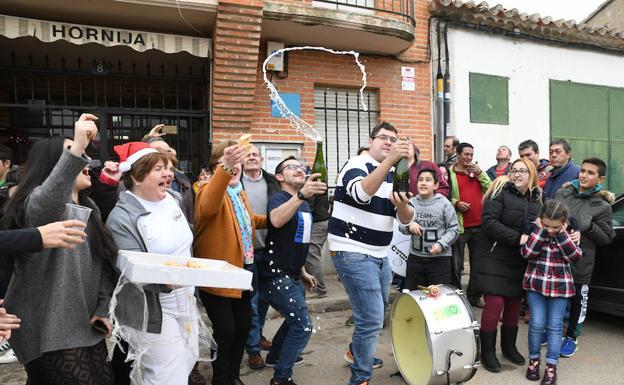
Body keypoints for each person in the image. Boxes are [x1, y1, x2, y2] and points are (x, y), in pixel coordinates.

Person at [3, 114, 117, 384]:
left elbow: (102, 264)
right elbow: (47, 204)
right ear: (55, 166)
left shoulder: (91, 208)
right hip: (48, 328)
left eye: (82, 155)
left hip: (85, 324)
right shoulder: (37, 204)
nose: (86, 160)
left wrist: (103, 308)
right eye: (74, 155)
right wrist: (77, 145)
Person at [106, 142, 200, 385]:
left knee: (188, 358)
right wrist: (175, 281)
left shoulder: (173, 199)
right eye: (159, 169)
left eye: (168, 168)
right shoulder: (121, 217)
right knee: (167, 376)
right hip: (152, 309)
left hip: (186, 298)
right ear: (136, 176)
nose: (168, 174)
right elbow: (135, 271)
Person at [329, 122, 414, 385]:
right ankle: (360, 379)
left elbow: (407, 217)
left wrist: (402, 208)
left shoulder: (392, 175)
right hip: (352, 251)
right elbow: (360, 193)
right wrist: (390, 161)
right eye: (383, 138)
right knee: (373, 318)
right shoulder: (357, 163)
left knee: (373, 311)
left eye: (393, 139)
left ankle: (356, 353)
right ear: (370, 141)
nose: (389, 142)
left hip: (380, 254)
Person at [194, 140, 266, 385]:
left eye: (239, 163)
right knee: (225, 331)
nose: (236, 168)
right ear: (218, 166)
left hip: (242, 272)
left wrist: (278, 216)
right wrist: (226, 165)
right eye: (229, 164)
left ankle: (233, 377)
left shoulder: (239, 193)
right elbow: (209, 206)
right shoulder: (206, 191)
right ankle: (221, 380)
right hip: (217, 276)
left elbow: (251, 220)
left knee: (243, 328)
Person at [259, 156, 327, 385]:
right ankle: (281, 378)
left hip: (293, 273)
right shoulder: (278, 198)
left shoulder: (305, 203)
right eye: (292, 167)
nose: (299, 169)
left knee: (293, 319)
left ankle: (276, 356)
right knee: (302, 325)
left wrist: (304, 271)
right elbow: (276, 221)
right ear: (279, 177)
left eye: (301, 167)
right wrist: (300, 196)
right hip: (274, 273)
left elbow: (298, 240)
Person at [471, 158, 542, 372]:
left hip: (519, 258)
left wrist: (571, 227)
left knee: (513, 303)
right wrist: (518, 238)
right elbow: (490, 222)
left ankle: (509, 347)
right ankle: (488, 352)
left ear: (532, 175)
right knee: (494, 302)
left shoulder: (537, 198)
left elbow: (545, 222)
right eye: (514, 170)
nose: (517, 174)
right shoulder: (499, 191)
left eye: (523, 171)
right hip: (494, 254)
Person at [553, 157, 614, 358]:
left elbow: (606, 237)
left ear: (600, 179)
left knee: (578, 300)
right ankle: (552, 333)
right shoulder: (563, 193)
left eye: (590, 173)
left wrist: (587, 228)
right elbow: (548, 217)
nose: (584, 175)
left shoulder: (603, 206)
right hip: (555, 258)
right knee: (554, 298)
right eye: (583, 171)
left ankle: (571, 337)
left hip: (582, 262)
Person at [522, 200, 582, 385]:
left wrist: (563, 235)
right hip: (536, 285)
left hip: (560, 287)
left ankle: (551, 367)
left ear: (564, 223)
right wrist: (540, 232)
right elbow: (527, 253)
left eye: (555, 227)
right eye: (546, 225)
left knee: (555, 326)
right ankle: (534, 361)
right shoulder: (535, 229)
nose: (550, 230)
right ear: (541, 220)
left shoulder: (568, 233)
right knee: (536, 324)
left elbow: (575, 257)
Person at [240, 144, 280, 370]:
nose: (252, 158)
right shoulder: (235, 183)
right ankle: (253, 349)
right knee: (252, 302)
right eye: (248, 155)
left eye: (255, 154)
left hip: (270, 249)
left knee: (264, 300)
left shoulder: (272, 181)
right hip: (247, 252)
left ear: (262, 159)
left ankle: (258, 335)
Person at [399, 168, 458, 289]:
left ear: (436, 185)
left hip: (440, 260)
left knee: (437, 296)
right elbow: (400, 226)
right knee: (413, 295)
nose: (423, 183)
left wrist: (441, 245)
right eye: (420, 180)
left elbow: (454, 229)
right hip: (415, 259)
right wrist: (409, 224)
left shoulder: (444, 204)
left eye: (428, 180)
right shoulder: (411, 203)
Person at [448, 142, 491, 304]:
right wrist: (456, 203)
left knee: (478, 264)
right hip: (460, 227)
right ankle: (457, 297)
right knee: (456, 265)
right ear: (458, 154)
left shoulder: (477, 172)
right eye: (466, 154)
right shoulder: (450, 173)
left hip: (480, 226)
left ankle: (474, 296)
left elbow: (491, 189)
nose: (469, 158)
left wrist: (481, 174)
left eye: (471, 155)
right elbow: (444, 195)